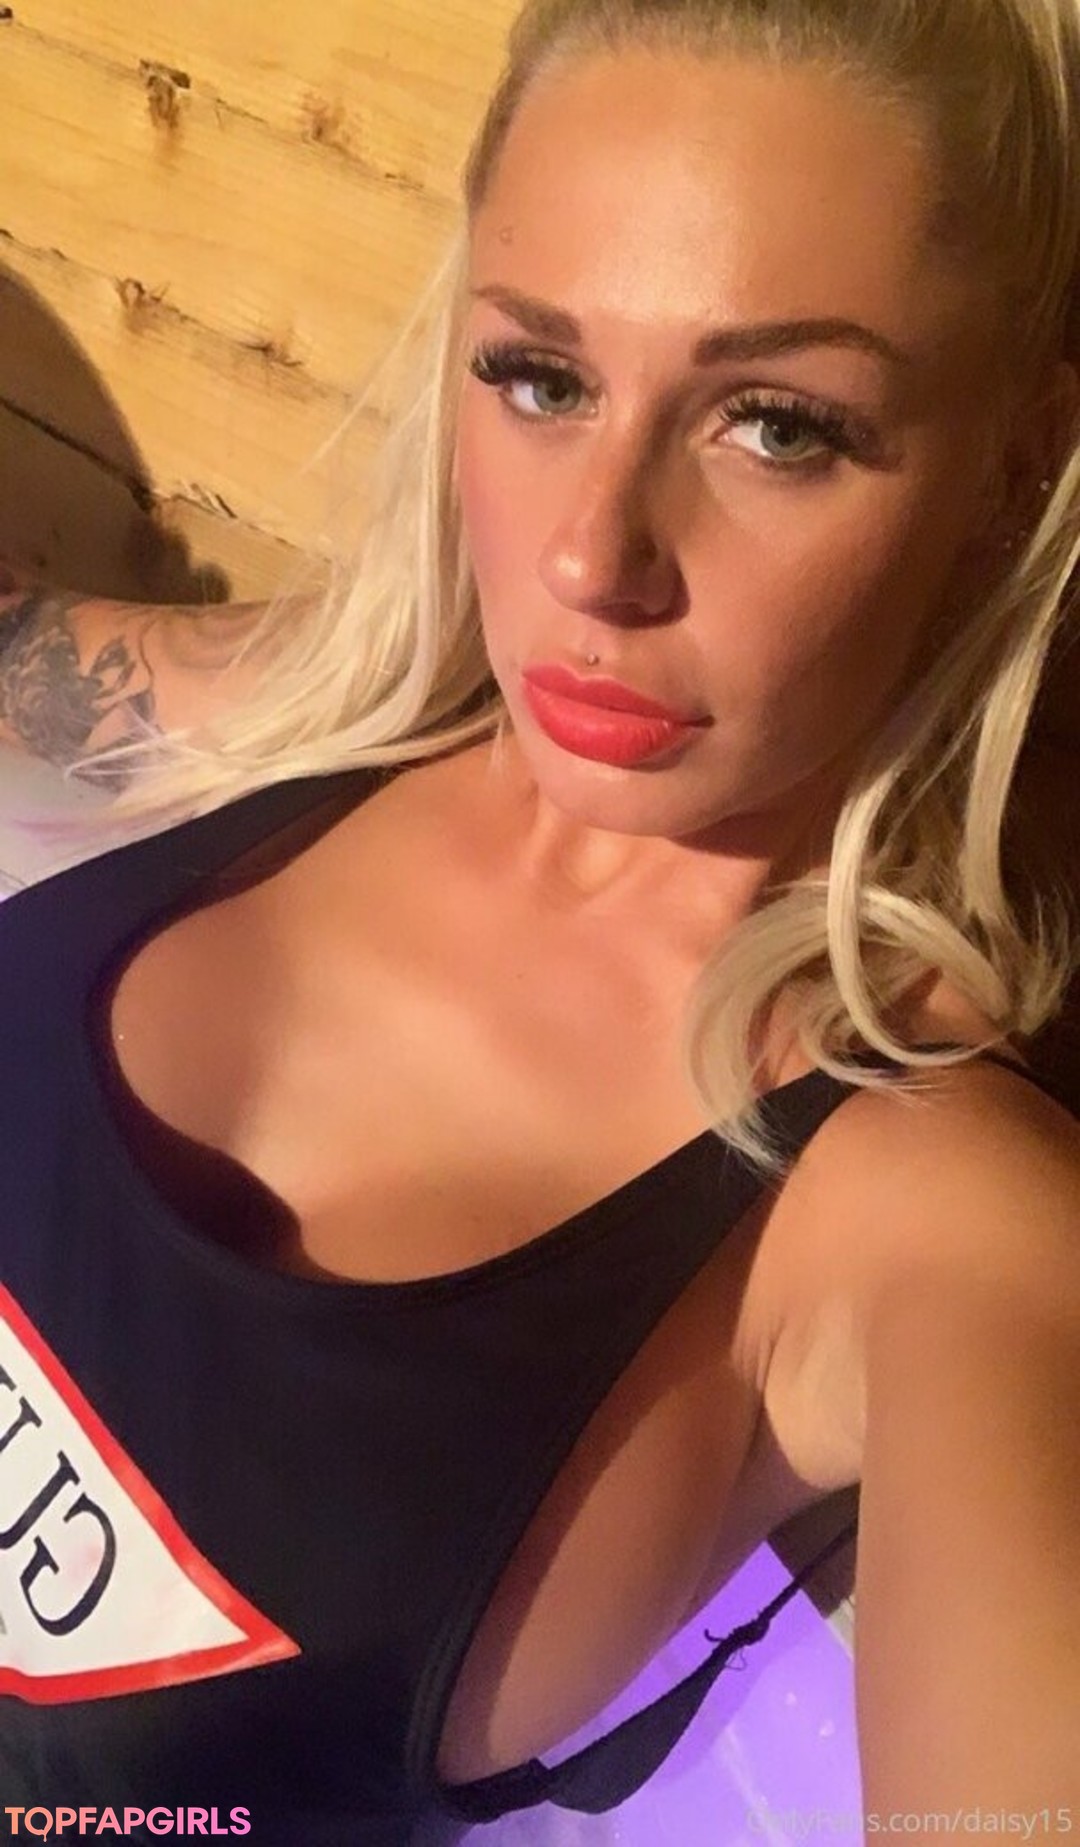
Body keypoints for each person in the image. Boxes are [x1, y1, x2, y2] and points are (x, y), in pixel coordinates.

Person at [1, 0, 1079, 1840]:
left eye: (777, 426)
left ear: (1010, 474)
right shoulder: (320, 717)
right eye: (541, 377)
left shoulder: (935, 1220)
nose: (591, 558)